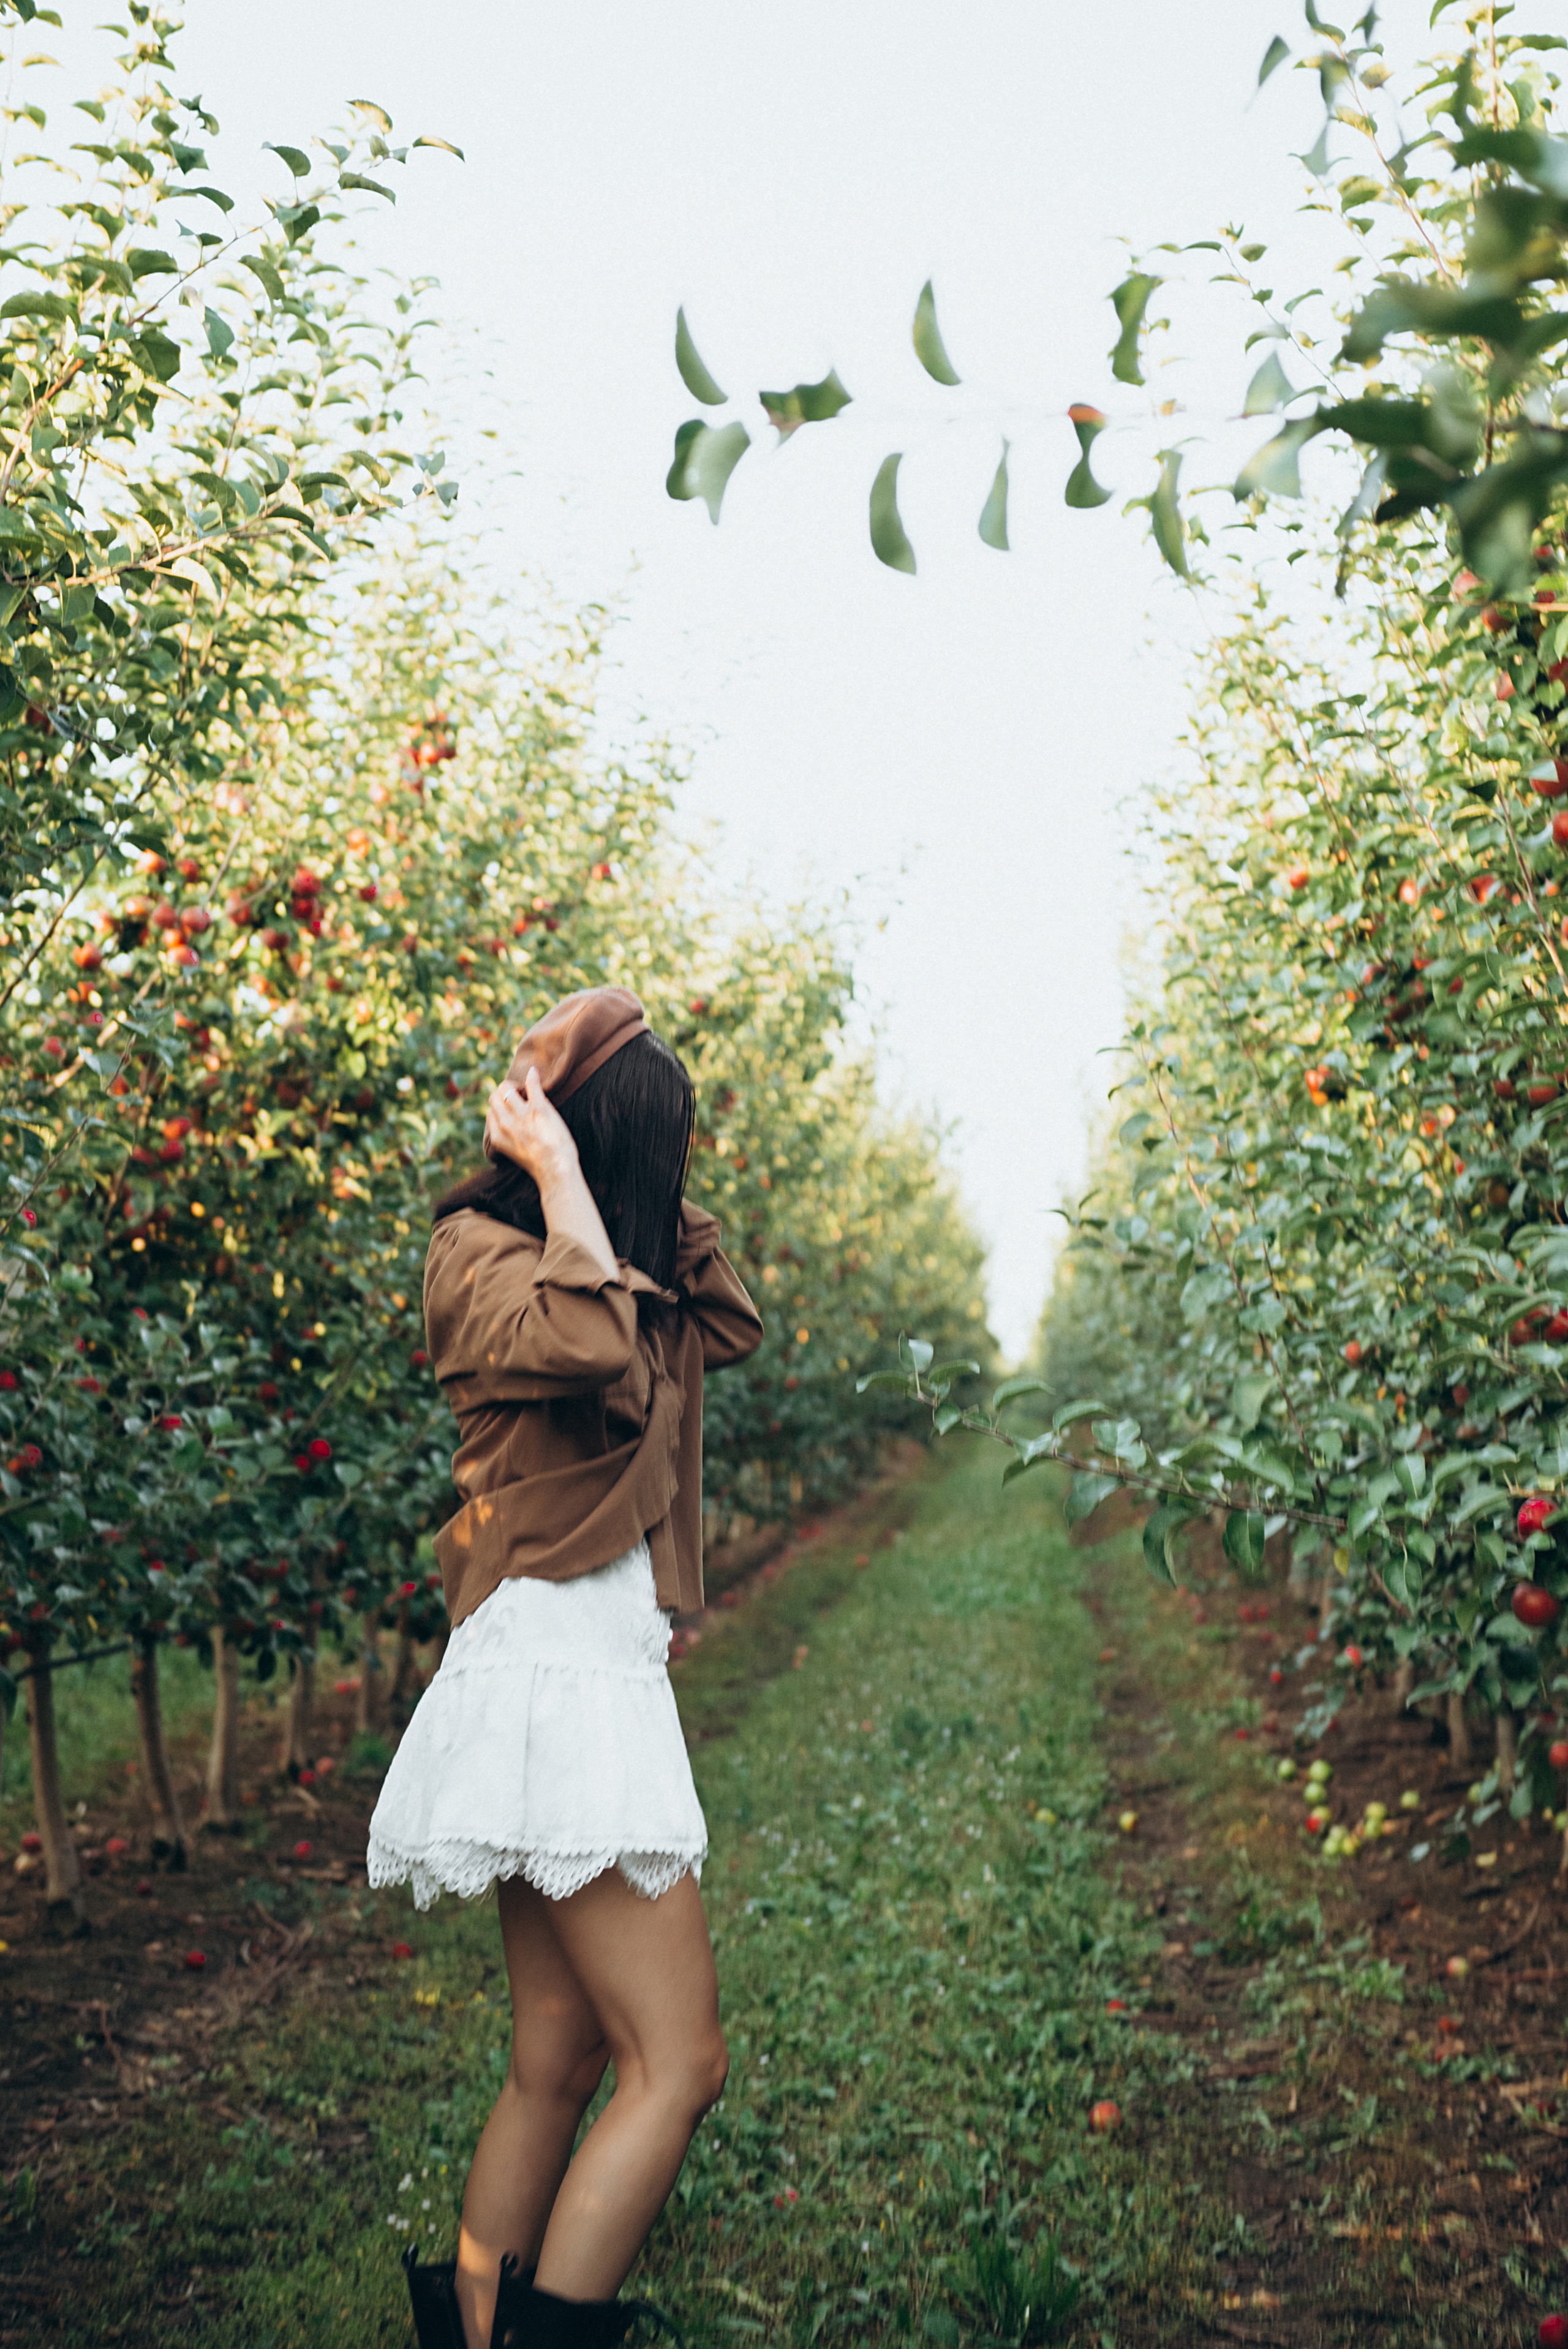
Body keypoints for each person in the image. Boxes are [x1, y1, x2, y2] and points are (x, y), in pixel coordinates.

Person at [367, 986, 764, 2349]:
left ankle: (479, 2334)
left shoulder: (613, 1268)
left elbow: (719, 1306)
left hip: (576, 1670)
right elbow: (594, 1338)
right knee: (678, 2062)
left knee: (562, 2048)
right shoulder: (479, 1253)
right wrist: (555, 1168)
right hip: (551, 1676)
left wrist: (615, 1183)